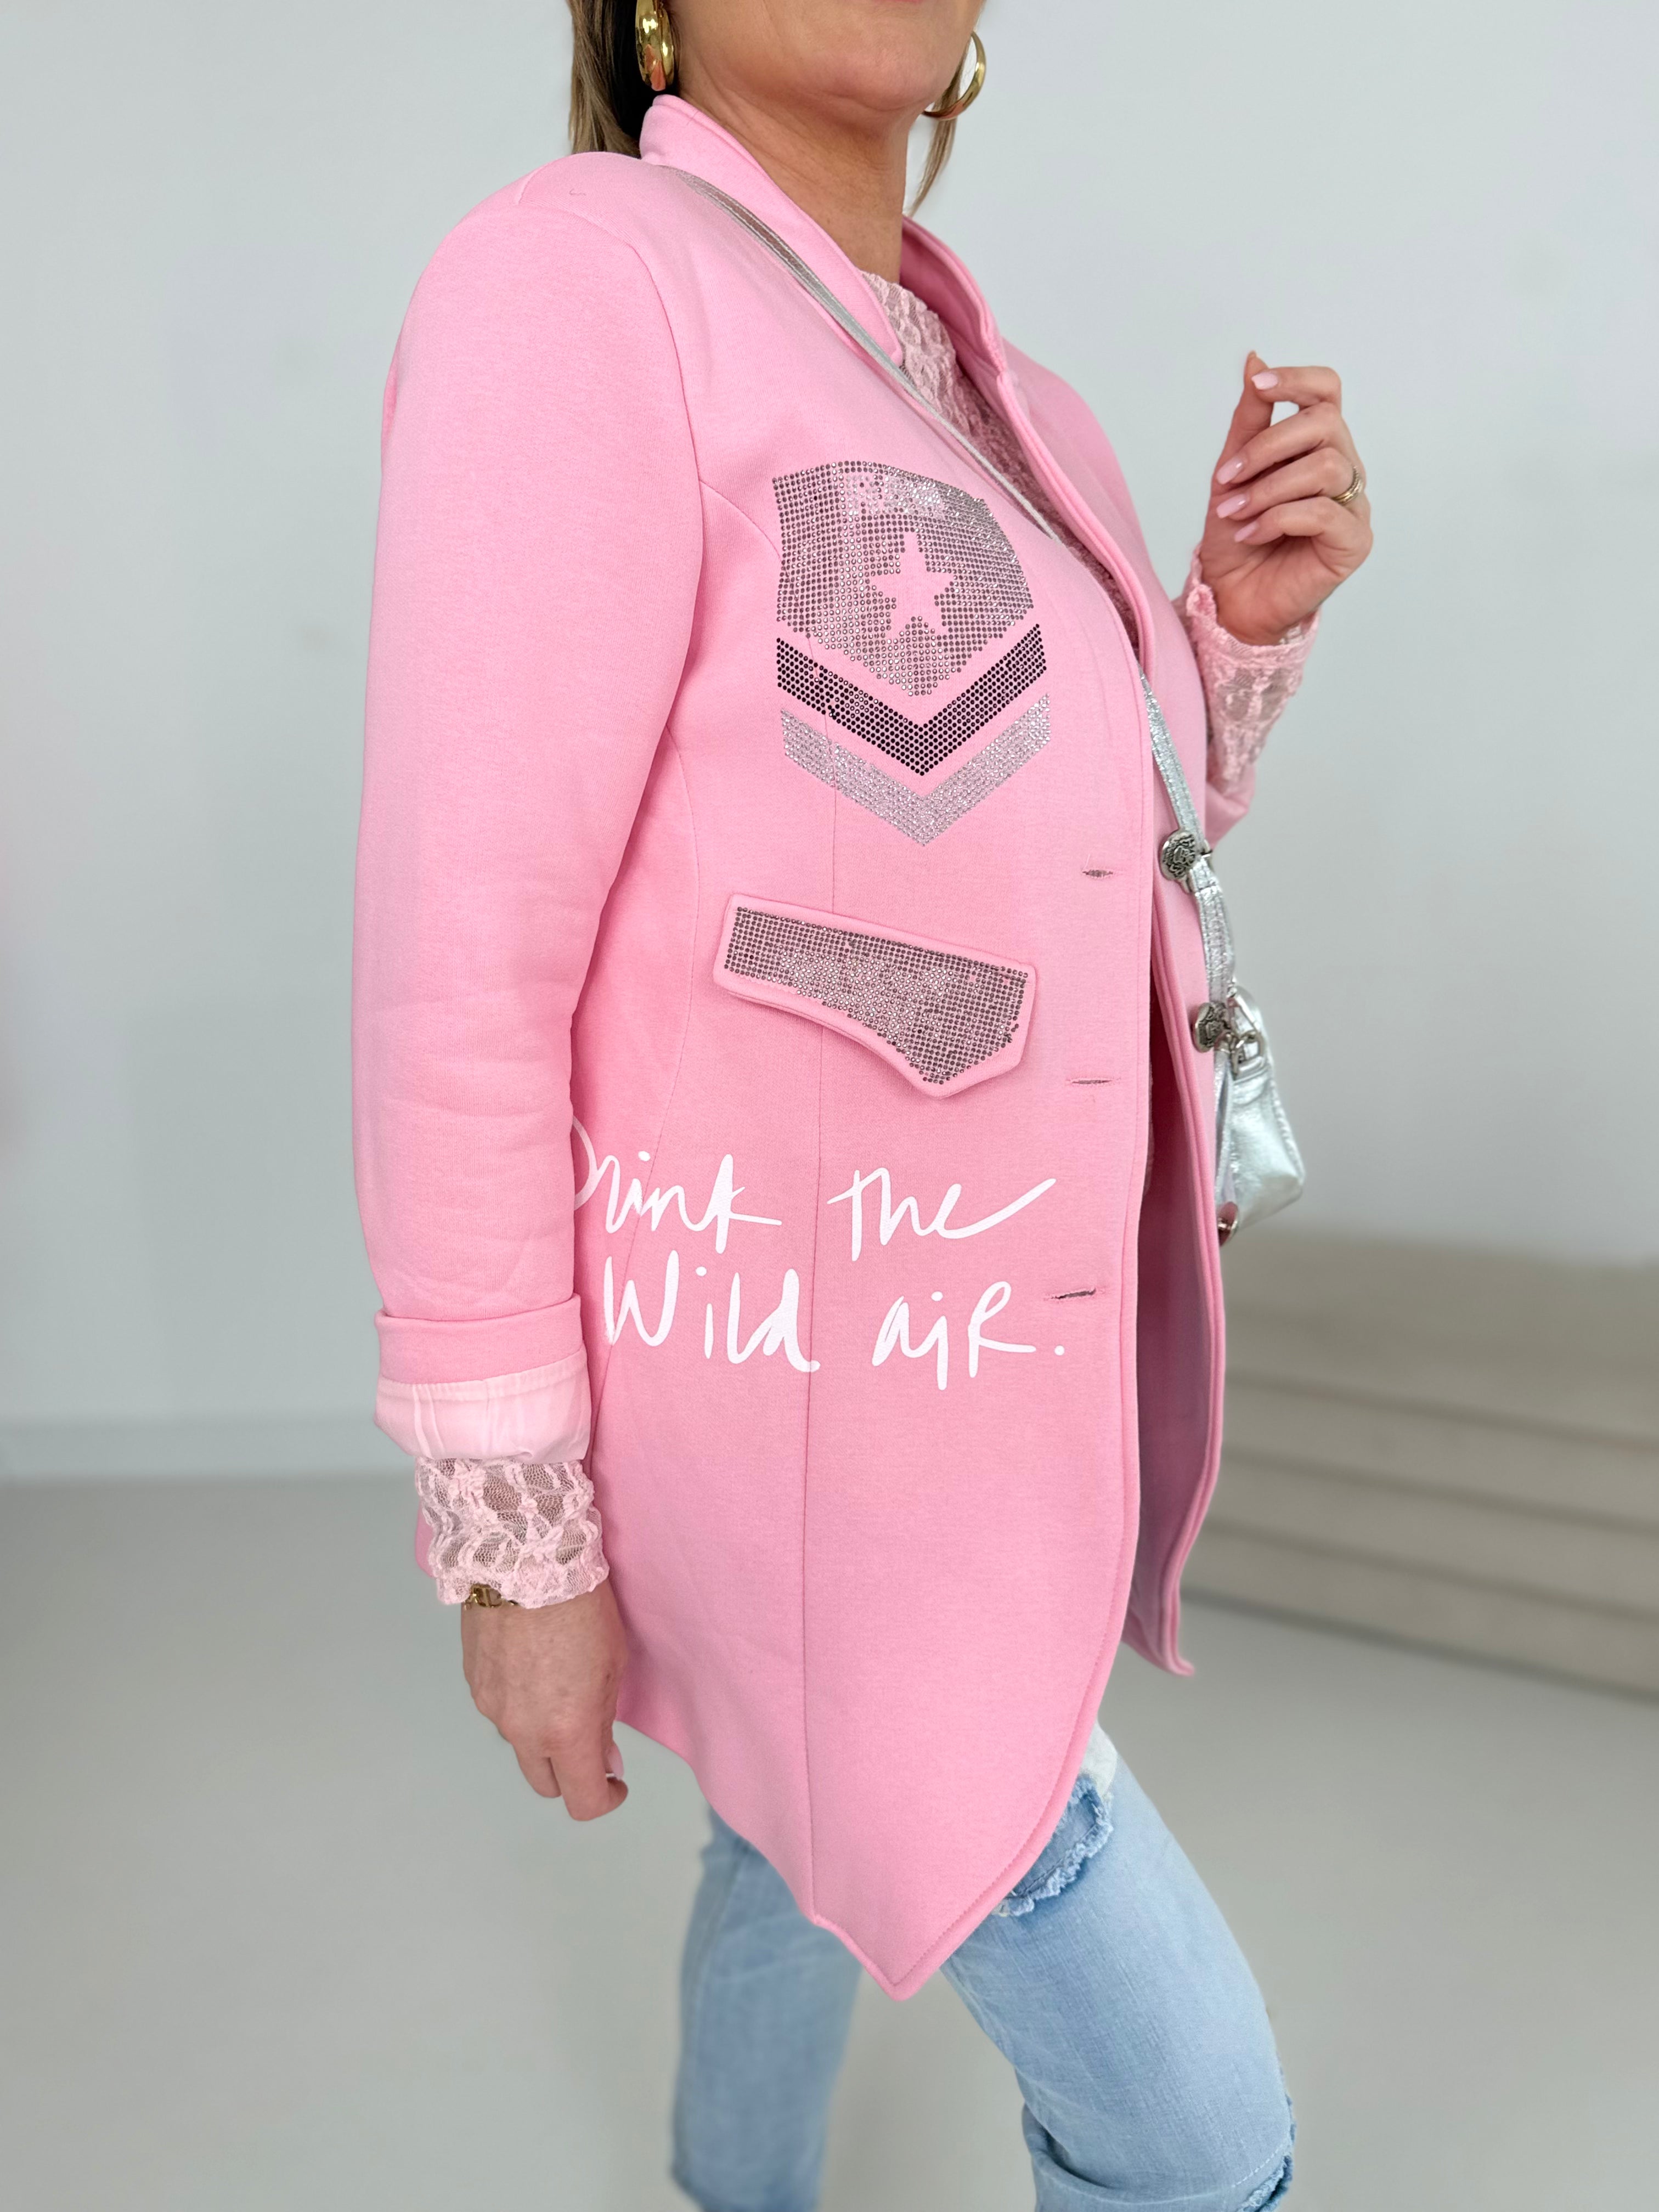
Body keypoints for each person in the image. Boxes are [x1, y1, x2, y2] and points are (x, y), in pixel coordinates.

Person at [353, 3, 1373, 2204]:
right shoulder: (580, 283)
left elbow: (1070, 860)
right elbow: (464, 963)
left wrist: (1225, 636)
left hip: (987, 1397)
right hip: (786, 1418)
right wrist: (516, 1540)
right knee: (1196, 2139)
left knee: (784, 1837)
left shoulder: (1021, 411)